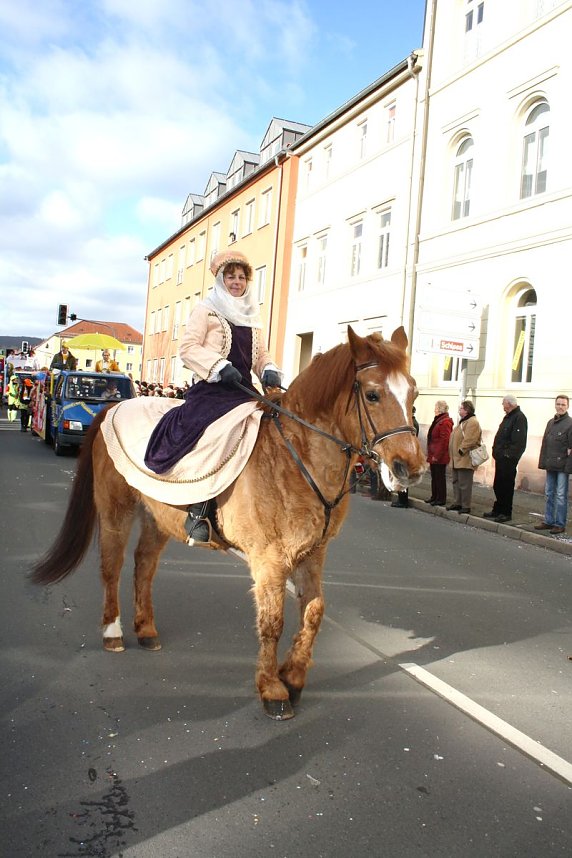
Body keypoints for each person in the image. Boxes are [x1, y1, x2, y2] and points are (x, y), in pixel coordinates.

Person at [144, 249, 282, 542]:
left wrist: (269, 369)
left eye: (241, 277)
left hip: (243, 391)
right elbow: (188, 348)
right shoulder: (205, 310)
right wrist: (218, 365)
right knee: (214, 433)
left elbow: (260, 355)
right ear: (220, 279)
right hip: (211, 389)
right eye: (230, 276)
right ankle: (199, 507)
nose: (236, 282)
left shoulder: (252, 317)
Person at [483, 395, 528, 524]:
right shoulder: (508, 417)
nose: (503, 406)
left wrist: (507, 455)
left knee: (506, 486)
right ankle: (498, 509)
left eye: (504, 404)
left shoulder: (519, 418)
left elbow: (519, 442)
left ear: (510, 404)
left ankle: (506, 512)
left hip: (508, 459)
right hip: (501, 458)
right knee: (498, 485)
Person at [534, 395, 572, 535]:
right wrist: (543, 462)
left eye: (563, 404)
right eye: (558, 404)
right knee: (549, 493)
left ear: (567, 406)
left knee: (561, 495)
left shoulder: (570, 423)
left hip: (562, 466)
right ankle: (548, 520)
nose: (560, 407)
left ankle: (560, 524)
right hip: (550, 464)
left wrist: (568, 468)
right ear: (555, 405)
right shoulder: (550, 422)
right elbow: (545, 444)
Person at [447, 400, 482, 514]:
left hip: (465, 458)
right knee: (456, 482)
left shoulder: (472, 422)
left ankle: (466, 505)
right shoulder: (463, 421)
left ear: (467, 410)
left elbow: (470, 439)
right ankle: (457, 502)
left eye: (461, 408)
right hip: (457, 459)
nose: (459, 410)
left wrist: (461, 450)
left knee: (464, 484)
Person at [425, 400, 454, 506]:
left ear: (439, 409)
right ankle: (434, 496)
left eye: (436, 408)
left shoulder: (445, 422)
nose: (434, 410)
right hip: (434, 453)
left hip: (439, 456)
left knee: (440, 477)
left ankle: (441, 499)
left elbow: (444, 441)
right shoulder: (438, 420)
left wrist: (437, 455)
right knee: (434, 476)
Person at [391, 406, 420, 508]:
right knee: (400, 476)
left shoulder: (412, 423)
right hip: (403, 452)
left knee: (404, 477)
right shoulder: (409, 422)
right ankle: (401, 499)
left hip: (407, 453)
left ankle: (403, 501)